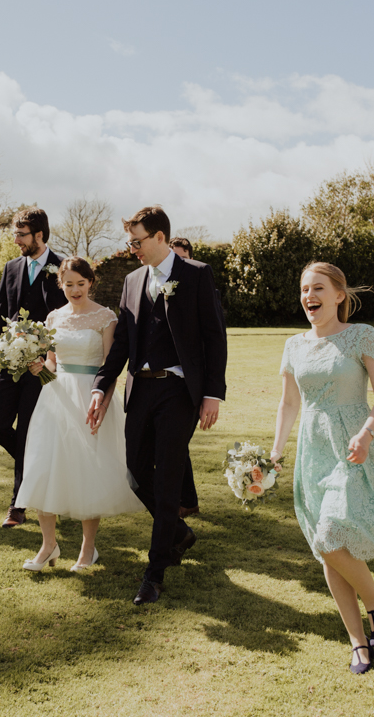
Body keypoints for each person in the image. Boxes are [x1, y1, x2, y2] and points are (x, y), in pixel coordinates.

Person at [271, 262, 374, 674]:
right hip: (313, 450)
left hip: (352, 447)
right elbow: (289, 404)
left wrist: (366, 434)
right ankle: (359, 642)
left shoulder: (361, 335)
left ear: (339, 294)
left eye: (319, 288)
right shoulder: (294, 345)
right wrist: (273, 454)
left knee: (330, 535)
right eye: (305, 288)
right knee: (328, 551)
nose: (310, 296)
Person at [89, 205, 228, 605]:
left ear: (161, 237)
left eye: (138, 241)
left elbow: (214, 337)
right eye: (129, 241)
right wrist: (102, 386)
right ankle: (178, 533)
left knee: (167, 478)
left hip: (179, 392)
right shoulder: (132, 281)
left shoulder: (196, 274)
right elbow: (123, 345)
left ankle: (154, 572)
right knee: (134, 474)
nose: (133, 248)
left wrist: (212, 394)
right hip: (141, 390)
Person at [15, 257, 144, 571]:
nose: (74, 290)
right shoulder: (53, 317)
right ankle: (48, 546)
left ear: (90, 282)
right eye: (68, 284)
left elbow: (111, 367)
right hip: (55, 397)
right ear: (61, 284)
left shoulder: (105, 316)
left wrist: (101, 403)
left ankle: (88, 550)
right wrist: (37, 369)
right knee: (44, 468)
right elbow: (51, 365)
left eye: (80, 283)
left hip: (90, 397)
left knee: (88, 471)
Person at [0, 208, 67, 528]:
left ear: (39, 236)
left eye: (21, 234)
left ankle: (17, 506)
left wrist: (49, 360)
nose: (15, 240)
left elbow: (66, 321)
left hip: (42, 368)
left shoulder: (62, 268)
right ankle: (40, 466)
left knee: (30, 431)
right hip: (8, 361)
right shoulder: (11, 267)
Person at [169, 236, 202, 519]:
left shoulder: (199, 282)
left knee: (178, 444)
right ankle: (187, 500)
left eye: (181, 256)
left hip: (193, 381)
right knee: (177, 445)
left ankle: (186, 500)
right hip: (168, 381)